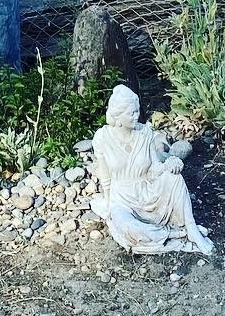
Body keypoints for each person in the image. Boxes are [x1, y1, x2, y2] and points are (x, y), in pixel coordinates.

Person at [89, 85, 214, 255]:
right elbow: (105, 175)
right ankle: (172, 233)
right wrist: (109, 203)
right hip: (123, 200)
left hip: (147, 189)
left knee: (174, 177)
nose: (136, 116)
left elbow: (154, 167)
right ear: (118, 115)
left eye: (137, 111)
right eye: (131, 113)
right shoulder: (102, 138)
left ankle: (190, 228)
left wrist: (169, 164)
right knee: (128, 228)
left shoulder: (144, 132)